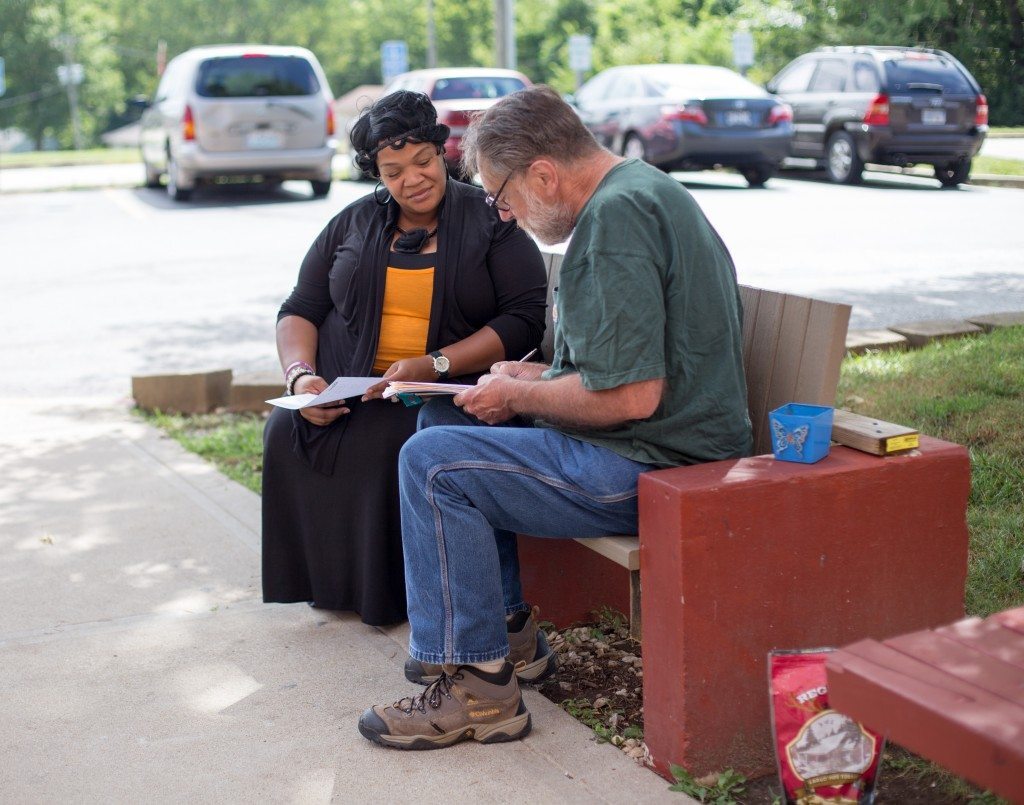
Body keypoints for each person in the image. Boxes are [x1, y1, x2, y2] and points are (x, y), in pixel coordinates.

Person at [357, 86, 753, 749]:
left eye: (501, 195)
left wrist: (517, 397)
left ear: (543, 171)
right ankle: (504, 637)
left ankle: (481, 690)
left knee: (432, 465)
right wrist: (533, 376)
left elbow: (632, 398)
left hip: (656, 462)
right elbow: (625, 370)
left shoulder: (617, 221)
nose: (504, 212)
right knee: (439, 427)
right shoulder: (631, 194)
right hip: (652, 440)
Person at [261, 90, 547, 627]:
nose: (412, 179)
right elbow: (299, 307)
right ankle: (333, 587)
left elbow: (524, 319)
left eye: (422, 162)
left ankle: (391, 599)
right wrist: (302, 379)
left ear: (444, 153)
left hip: (441, 390)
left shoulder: (492, 221)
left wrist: (433, 363)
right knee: (288, 428)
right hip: (355, 385)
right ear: (378, 175)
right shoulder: (352, 224)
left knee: (387, 444)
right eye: (393, 172)